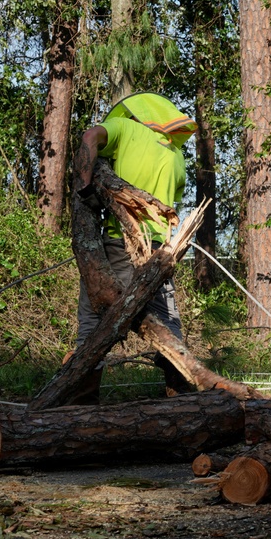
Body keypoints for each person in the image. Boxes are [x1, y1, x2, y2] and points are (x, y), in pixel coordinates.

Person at [73, 92, 197, 357]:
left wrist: (86, 189)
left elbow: (89, 138)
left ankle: (82, 387)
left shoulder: (125, 127)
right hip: (161, 250)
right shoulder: (176, 154)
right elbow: (170, 203)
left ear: (135, 113)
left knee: (93, 315)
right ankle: (178, 376)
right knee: (168, 318)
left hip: (123, 242)